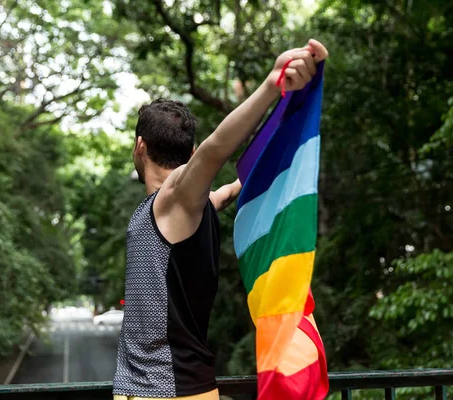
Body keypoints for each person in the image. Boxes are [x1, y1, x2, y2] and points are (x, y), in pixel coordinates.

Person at [113, 39, 329, 400]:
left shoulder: (173, 199)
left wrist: (271, 86)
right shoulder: (193, 207)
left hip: (163, 392)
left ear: (140, 147)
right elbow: (229, 189)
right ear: (189, 151)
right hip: (176, 390)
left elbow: (215, 149)